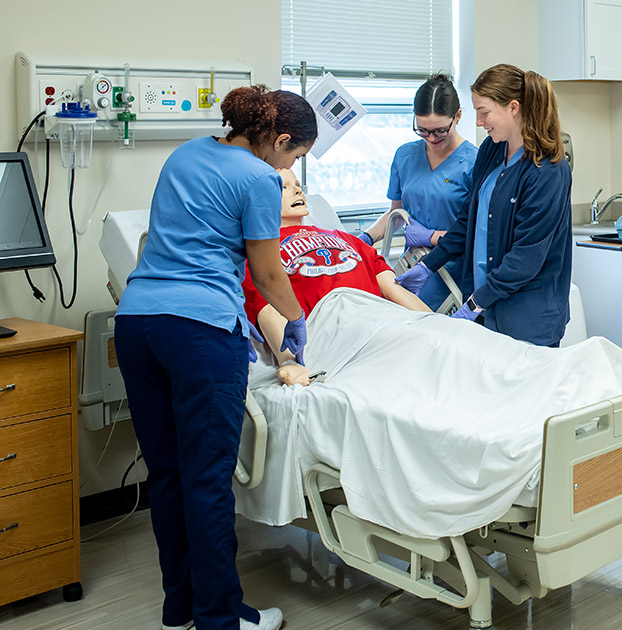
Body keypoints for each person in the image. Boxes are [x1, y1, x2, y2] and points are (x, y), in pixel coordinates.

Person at [113, 86, 316, 630]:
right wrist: (295, 318)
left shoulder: (185, 153)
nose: (290, 168)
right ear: (278, 140)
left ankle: (179, 609)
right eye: (295, 157)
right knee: (206, 480)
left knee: (168, 476)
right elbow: (268, 273)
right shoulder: (258, 178)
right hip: (199, 332)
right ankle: (223, 620)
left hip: (137, 325)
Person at [395, 63, 573, 347]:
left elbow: (525, 259)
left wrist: (474, 304)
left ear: (513, 108)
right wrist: (429, 265)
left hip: (526, 318)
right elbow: (469, 221)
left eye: (484, 112)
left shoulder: (547, 171)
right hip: (485, 308)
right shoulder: (493, 149)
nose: (478, 122)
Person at [244, 168, 431, 385]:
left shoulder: (347, 239)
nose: (297, 191)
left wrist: (437, 323)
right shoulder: (260, 253)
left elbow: (393, 288)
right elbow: (268, 308)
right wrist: (289, 362)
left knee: (440, 344)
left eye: (297, 184)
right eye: (284, 187)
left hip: (383, 320)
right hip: (334, 331)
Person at [358, 74, 478, 310]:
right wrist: (365, 239)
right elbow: (397, 213)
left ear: (458, 116)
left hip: (453, 272)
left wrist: (431, 235)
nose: (431, 138)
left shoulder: (474, 163)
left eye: (440, 131)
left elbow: (475, 234)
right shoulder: (405, 156)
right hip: (411, 268)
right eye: (422, 130)